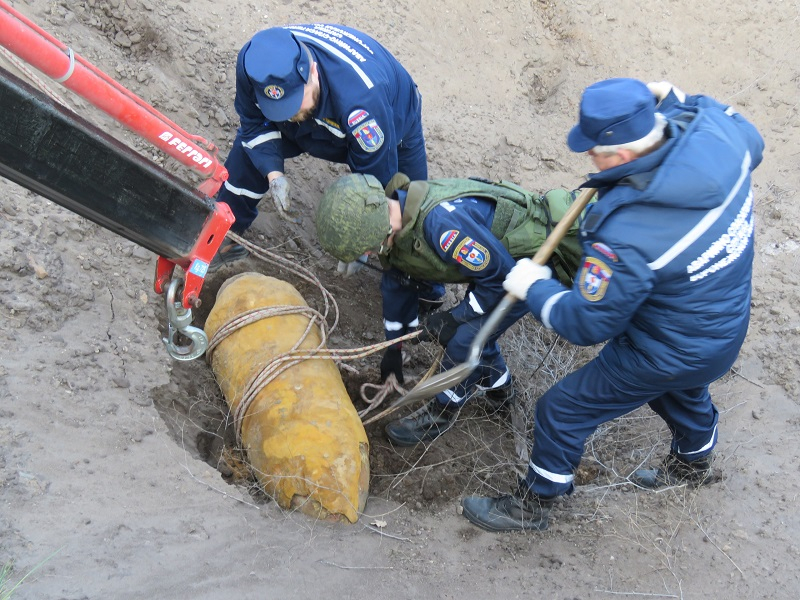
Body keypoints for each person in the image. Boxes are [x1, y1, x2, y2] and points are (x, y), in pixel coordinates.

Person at [460, 78, 765, 532]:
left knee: (561, 411)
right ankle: (693, 464)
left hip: (666, 347)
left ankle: (534, 504)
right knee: (681, 388)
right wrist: (674, 96)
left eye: (593, 152)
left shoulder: (627, 230)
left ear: (619, 156)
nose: (588, 156)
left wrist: (535, 286)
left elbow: (585, 324)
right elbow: (741, 131)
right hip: (720, 327)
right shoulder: (720, 136)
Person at [211, 23, 443, 355]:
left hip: (393, 121)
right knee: (246, 160)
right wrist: (274, 175)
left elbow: (376, 188)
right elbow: (252, 124)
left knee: (407, 212)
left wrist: (363, 245)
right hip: (324, 119)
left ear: (312, 72)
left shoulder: (363, 104)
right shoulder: (254, 65)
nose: (291, 114)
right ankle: (222, 238)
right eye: (280, 107)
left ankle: (426, 295)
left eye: (295, 102)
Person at [315, 172, 587, 446]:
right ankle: (501, 390)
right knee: (480, 334)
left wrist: (456, 317)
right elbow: (397, 285)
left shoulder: (441, 227)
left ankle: (442, 412)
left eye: (365, 249)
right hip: (494, 263)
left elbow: (500, 280)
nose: (367, 255)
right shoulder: (397, 219)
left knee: (464, 339)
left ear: (375, 228)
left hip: (527, 266)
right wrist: (393, 349)